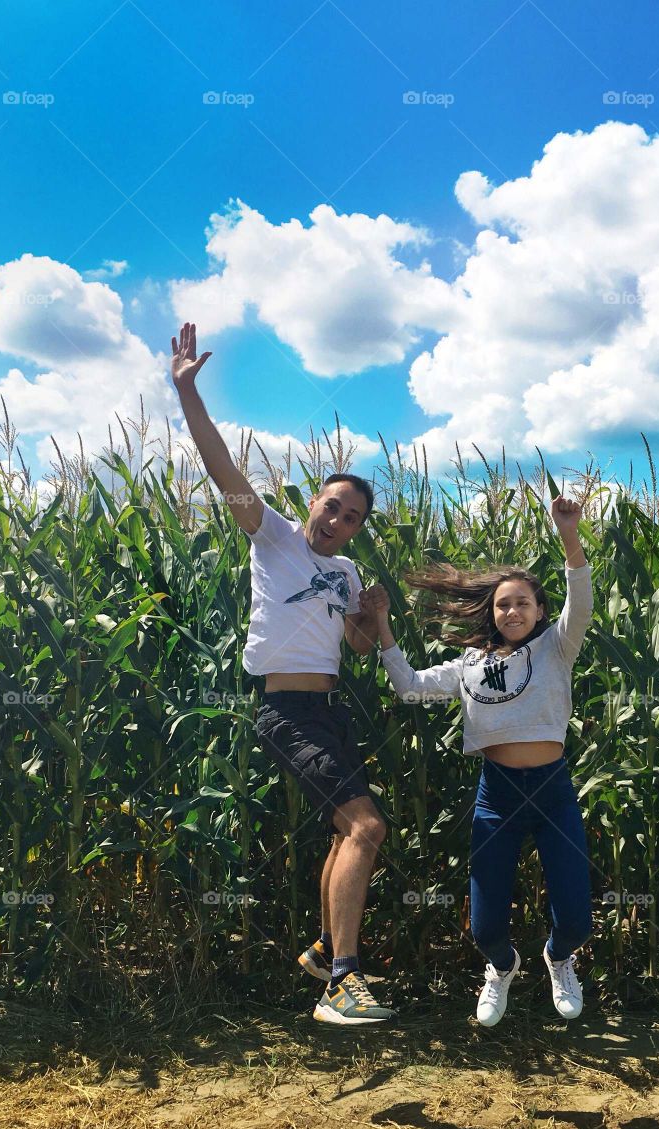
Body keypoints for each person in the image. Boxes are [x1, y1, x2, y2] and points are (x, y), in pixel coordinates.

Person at [170, 321, 395, 1027]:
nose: (338, 520)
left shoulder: (347, 570)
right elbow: (220, 467)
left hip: (328, 710)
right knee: (367, 829)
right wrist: (187, 394)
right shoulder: (271, 537)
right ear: (312, 505)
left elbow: (357, 648)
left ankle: (328, 952)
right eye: (332, 506)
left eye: (352, 516)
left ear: (358, 529)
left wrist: (374, 616)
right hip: (285, 713)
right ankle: (342, 983)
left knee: (344, 834)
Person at [372, 496, 594, 1026]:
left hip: (552, 791)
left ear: (540, 611)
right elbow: (409, 688)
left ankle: (559, 958)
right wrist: (381, 624)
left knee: (577, 919)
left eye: (523, 602)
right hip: (498, 793)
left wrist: (567, 533)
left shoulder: (557, 648)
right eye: (502, 604)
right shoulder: (469, 665)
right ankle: (502, 967)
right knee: (484, 927)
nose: (512, 611)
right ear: (490, 613)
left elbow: (581, 598)